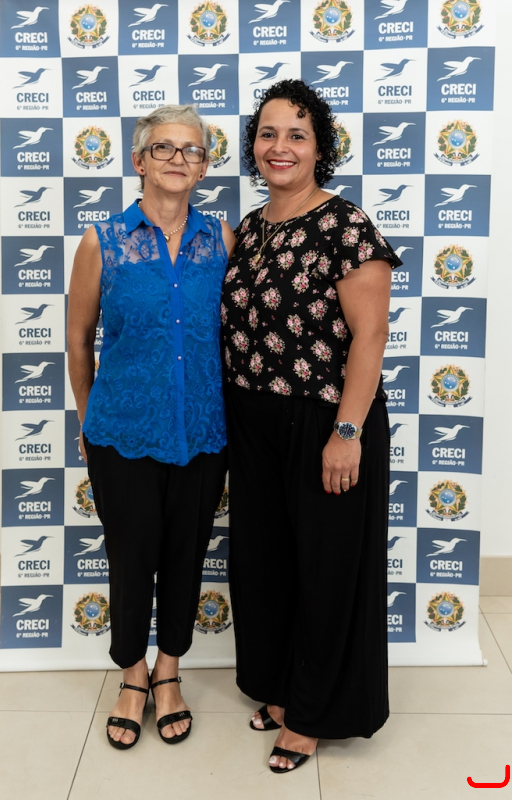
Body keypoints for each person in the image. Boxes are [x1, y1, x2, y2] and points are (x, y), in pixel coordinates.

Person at [222, 80, 402, 773]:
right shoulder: (251, 228)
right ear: (253, 147)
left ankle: (314, 715)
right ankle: (280, 688)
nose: (281, 147)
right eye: (268, 134)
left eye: (297, 134)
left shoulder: (346, 225)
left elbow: (371, 336)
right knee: (266, 564)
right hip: (252, 418)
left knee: (327, 570)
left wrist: (347, 433)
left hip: (327, 418)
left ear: (320, 147)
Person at [67, 104, 235, 750]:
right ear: (139, 161)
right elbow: (79, 340)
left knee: (186, 556)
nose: (177, 159)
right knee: (131, 557)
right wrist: (90, 418)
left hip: (203, 432)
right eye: (163, 147)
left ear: (204, 167)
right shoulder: (102, 241)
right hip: (122, 433)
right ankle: (132, 674)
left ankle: (169, 671)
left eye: (191, 150)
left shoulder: (221, 240)